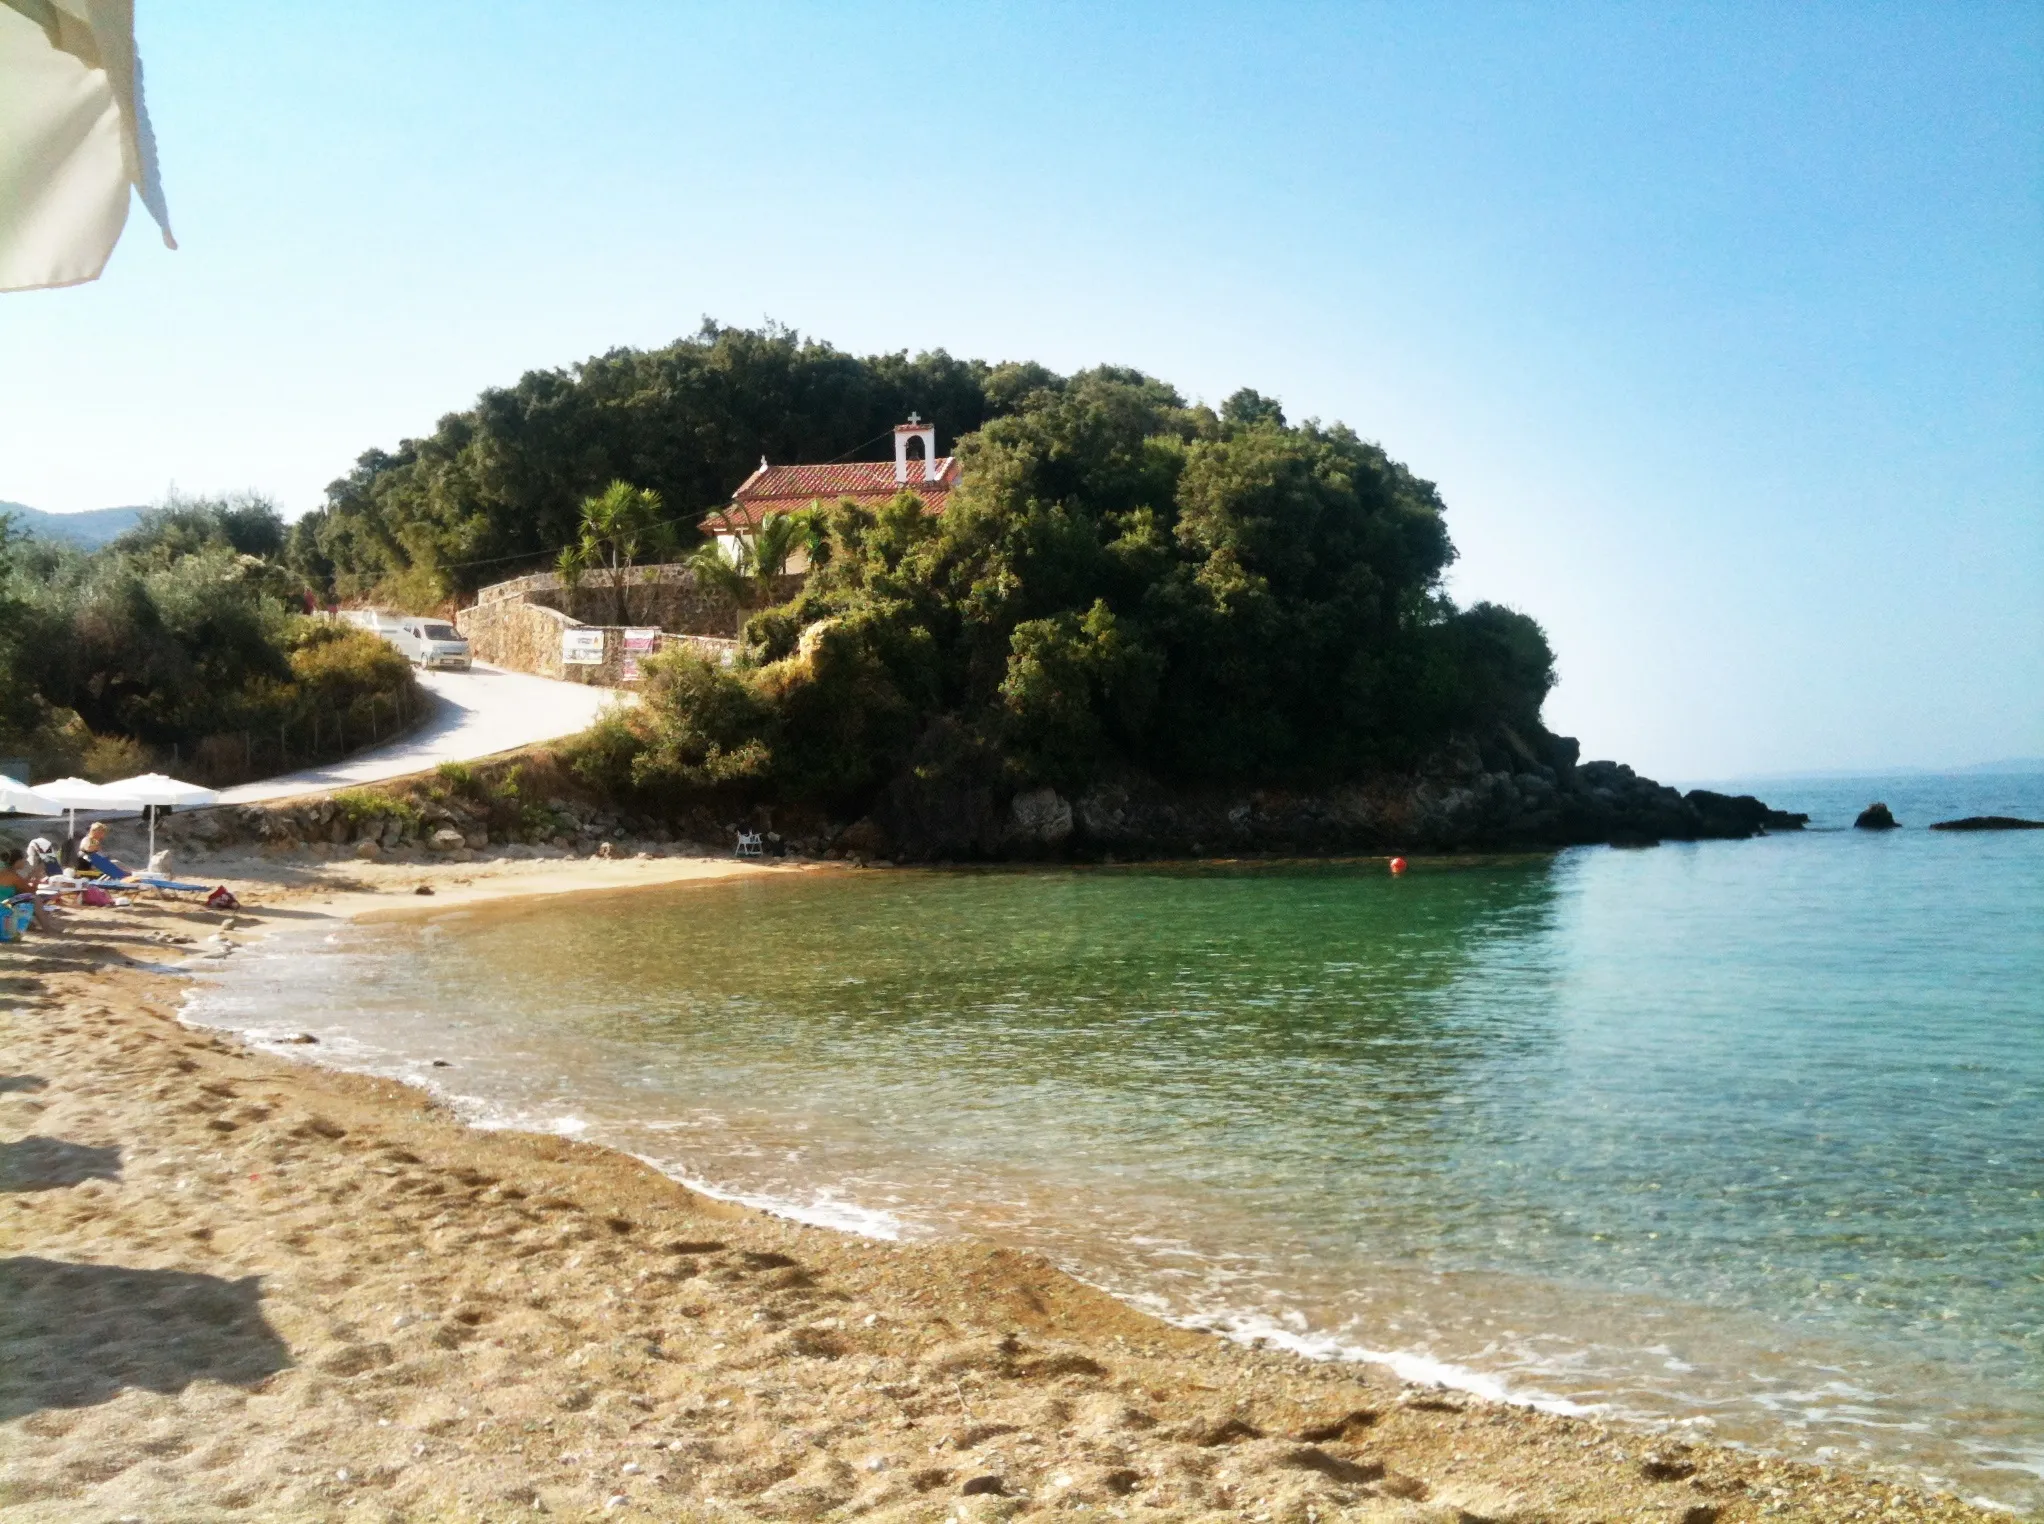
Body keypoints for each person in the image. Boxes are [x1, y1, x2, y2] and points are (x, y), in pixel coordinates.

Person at [1, 847, 61, 933]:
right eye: (24, 859)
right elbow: (30, 892)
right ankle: (47, 928)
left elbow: (20, 885)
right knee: (35, 898)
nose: (25, 861)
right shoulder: (13, 876)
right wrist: (37, 878)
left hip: (4, 903)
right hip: (3, 906)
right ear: (17, 861)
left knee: (31, 925)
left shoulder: (7, 872)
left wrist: (31, 875)